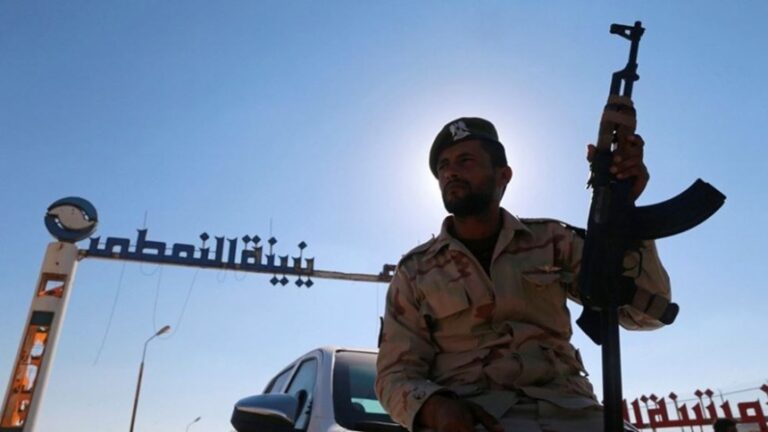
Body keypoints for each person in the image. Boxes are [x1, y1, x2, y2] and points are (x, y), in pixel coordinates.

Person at [375, 104, 672, 432]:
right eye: (443, 166)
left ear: (503, 175)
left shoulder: (553, 241)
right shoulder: (415, 272)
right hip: (474, 415)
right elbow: (395, 375)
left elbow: (645, 315)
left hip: (571, 411)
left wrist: (625, 209)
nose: (450, 173)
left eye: (465, 161)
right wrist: (435, 407)